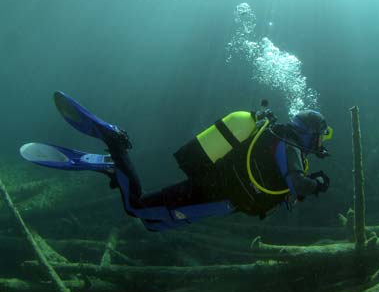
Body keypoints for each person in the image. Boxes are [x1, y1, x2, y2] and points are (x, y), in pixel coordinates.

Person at [20, 92, 332, 232]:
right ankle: (115, 149)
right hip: (220, 195)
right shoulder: (289, 146)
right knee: (138, 209)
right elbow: (297, 183)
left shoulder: (276, 139)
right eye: (320, 137)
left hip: (214, 184)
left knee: (153, 224)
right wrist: (317, 184)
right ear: (310, 133)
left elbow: (282, 183)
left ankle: (113, 165)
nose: (321, 144)